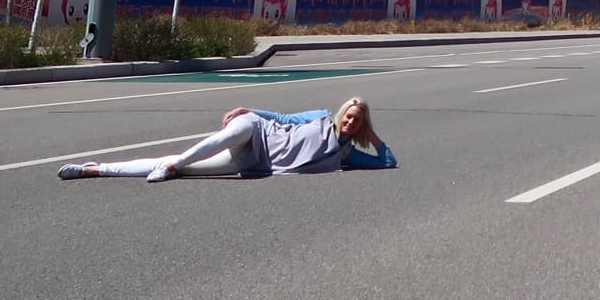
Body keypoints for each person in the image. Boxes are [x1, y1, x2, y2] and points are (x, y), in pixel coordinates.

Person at [57, 97, 396, 182]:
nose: (350, 122)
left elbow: (387, 161)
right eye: (349, 116)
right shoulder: (319, 116)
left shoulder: (345, 155)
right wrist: (251, 109)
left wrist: (373, 133)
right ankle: (173, 163)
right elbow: (283, 119)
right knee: (188, 156)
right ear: (340, 114)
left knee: (182, 170)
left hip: (254, 162)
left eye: (357, 120)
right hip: (257, 130)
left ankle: (95, 169)